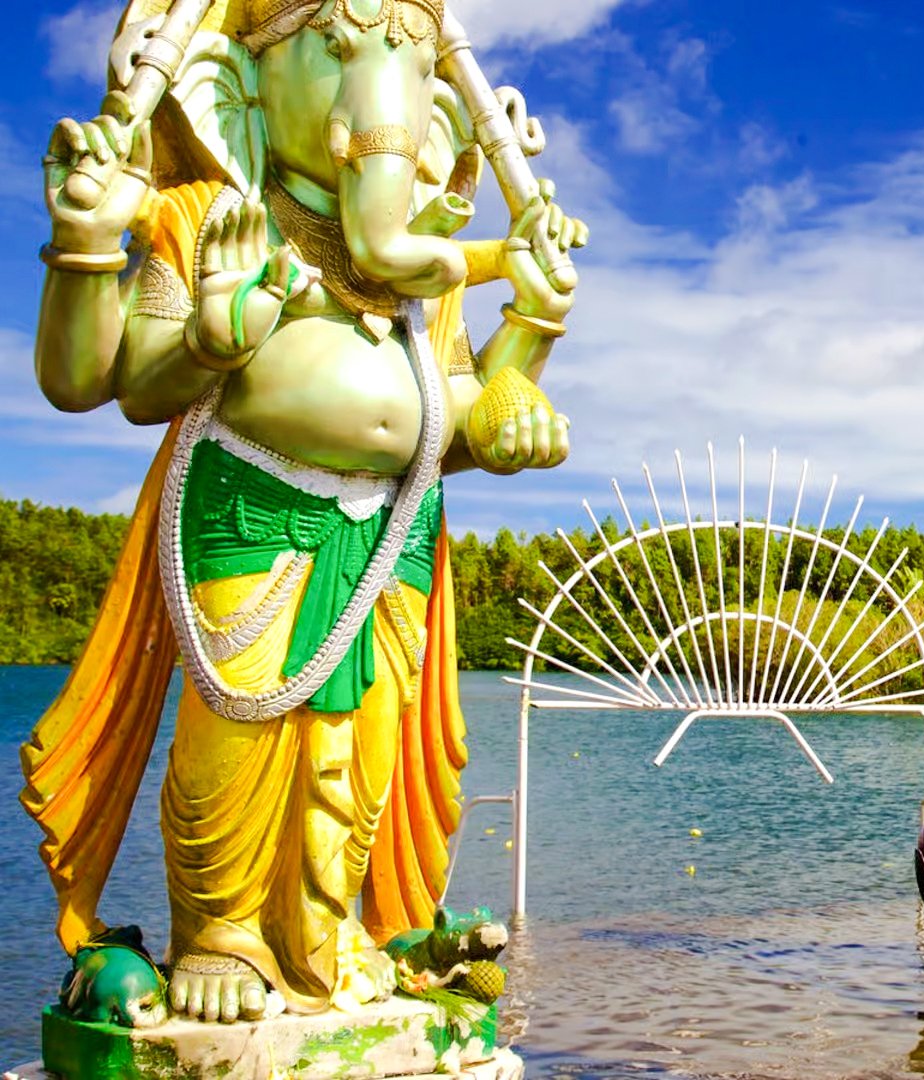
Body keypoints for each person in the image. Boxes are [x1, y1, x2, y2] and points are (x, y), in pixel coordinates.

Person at [21, 0, 578, 1022]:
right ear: (239, 91)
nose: (382, 108)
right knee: (243, 719)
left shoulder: (421, 271)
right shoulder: (206, 218)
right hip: (251, 502)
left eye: (408, 75)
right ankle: (222, 931)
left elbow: (443, 420)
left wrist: (520, 361)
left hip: (395, 535)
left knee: (361, 750)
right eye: (337, 59)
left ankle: (328, 937)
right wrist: (128, 274)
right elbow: (101, 382)